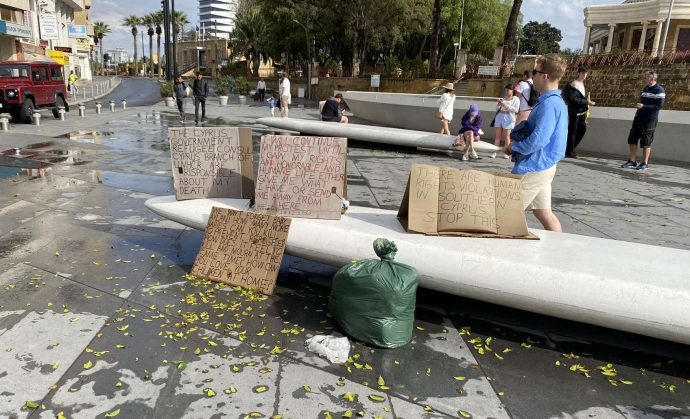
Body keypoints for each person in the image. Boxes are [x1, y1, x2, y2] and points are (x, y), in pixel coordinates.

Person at [505, 54, 568, 232]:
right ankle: (556, 245)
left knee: (507, 210)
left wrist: (514, 147)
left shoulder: (549, 104)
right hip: (546, 164)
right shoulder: (555, 102)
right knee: (543, 212)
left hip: (535, 165)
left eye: (535, 72)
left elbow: (538, 140)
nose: (533, 76)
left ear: (545, 76)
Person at [621, 71, 665, 171]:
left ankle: (645, 163)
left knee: (646, 141)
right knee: (632, 138)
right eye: (644, 77)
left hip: (650, 119)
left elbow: (658, 106)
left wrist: (644, 106)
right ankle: (632, 161)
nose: (644, 79)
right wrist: (639, 108)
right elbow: (642, 102)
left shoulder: (659, 90)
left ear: (652, 79)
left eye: (646, 77)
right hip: (639, 117)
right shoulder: (645, 88)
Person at [563, 67, 595, 158]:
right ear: (578, 73)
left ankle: (570, 148)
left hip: (582, 112)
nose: (584, 75)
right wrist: (587, 102)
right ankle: (569, 151)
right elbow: (573, 99)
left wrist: (587, 102)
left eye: (586, 73)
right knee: (573, 131)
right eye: (583, 73)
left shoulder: (583, 84)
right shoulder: (574, 84)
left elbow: (583, 97)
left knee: (582, 129)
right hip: (575, 111)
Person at [492, 84, 520, 159]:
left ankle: (507, 152)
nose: (506, 92)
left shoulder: (516, 99)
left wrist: (505, 105)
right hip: (499, 116)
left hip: (508, 118)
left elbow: (516, 110)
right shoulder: (503, 98)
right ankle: (494, 151)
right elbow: (497, 109)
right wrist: (499, 104)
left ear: (512, 91)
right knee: (497, 136)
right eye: (505, 90)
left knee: (507, 136)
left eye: (508, 90)